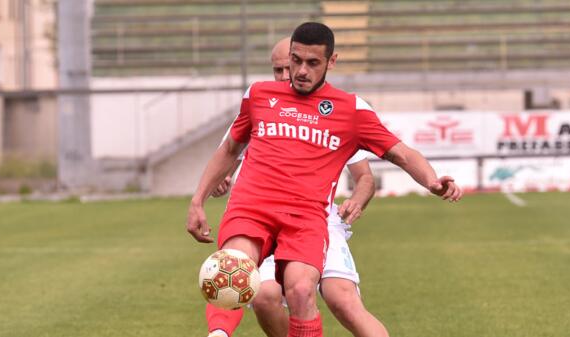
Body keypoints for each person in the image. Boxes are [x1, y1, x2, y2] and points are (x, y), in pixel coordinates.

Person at [187, 22, 462, 337]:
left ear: (331, 62)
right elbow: (230, 148)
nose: (301, 71)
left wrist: (432, 181)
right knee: (233, 267)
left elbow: (401, 153)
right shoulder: (259, 95)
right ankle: (218, 333)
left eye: (313, 63)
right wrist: (198, 200)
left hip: (306, 217)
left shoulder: (351, 110)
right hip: (252, 207)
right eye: (296, 60)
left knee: (302, 291)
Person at [206, 37, 389, 337]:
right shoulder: (261, 104)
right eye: (278, 69)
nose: (284, 76)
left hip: (317, 219)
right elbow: (228, 155)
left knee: (342, 299)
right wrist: (218, 182)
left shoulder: (337, 110)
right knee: (264, 296)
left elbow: (364, 176)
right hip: (262, 217)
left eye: (286, 68)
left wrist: (358, 198)